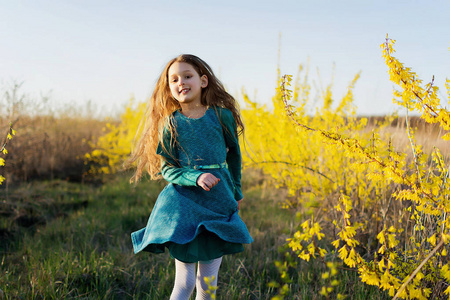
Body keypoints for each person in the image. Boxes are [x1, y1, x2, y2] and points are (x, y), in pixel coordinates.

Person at [126, 54, 253, 299]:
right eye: (174, 79)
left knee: (208, 284)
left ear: (203, 81)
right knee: (184, 284)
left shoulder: (221, 116)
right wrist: (195, 177)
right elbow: (168, 169)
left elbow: (234, 156)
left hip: (218, 201)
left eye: (187, 76)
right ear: (169, 88)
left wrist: (236, 192)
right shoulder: (170, 124)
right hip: (183, 206)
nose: (181, 82)